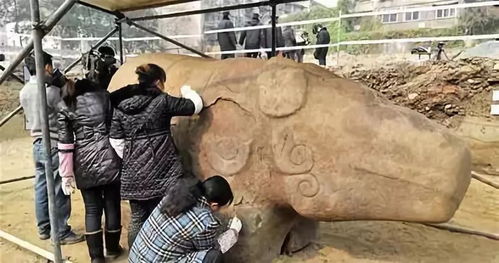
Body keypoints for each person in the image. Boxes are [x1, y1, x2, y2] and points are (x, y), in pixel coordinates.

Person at [109, 64, 203, 248]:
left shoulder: (120, 105)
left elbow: (115, 139)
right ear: (158, 82)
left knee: (137, 218)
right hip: (163, 170)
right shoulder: (162, 101)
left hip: (133, 174)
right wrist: (187, 90)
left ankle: (136, 257)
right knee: (160, 217)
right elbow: (195, 106)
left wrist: (130, 157)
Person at [57, 53, 123, 263]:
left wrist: (66, 174)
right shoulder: (104, 97)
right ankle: (112, 249)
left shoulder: (65, 105)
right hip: (109, 157)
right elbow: (116, 131)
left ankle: (96, 258)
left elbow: (65, 145)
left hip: (83, 162)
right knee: (112, 203)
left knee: (92, 209)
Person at [19, 52, 84, 244]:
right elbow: (71, 112)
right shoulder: (50, 91)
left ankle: (44, 228)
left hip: (37, 144)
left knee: (41, 186)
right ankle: (61, 232)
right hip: (54, 144)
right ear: (47, 67)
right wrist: (65, 85)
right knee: (58, 189)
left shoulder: (23, 91)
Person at [129, 176, 242, 263]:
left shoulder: (175, 195)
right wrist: (233, 232)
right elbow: (213, 249)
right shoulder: (205, 221)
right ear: (214, 205)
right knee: (213, 257)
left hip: (136, 258)